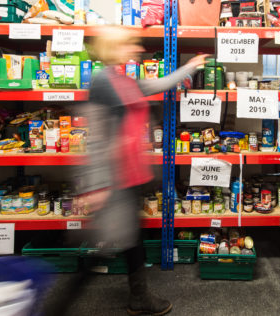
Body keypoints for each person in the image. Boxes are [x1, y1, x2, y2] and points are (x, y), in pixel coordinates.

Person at [69, 26, 208, 316]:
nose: (138, 49)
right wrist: (96, 186)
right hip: (114, 179)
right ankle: (63, 302)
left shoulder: (123, 80)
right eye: (130, 44)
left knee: (129, 239)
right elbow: (95, 137)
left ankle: (138, 295)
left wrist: (188, 67)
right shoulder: (103, 82)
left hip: (130, 176)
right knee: (109, 243)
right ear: (113, 48)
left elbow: (159, 84)